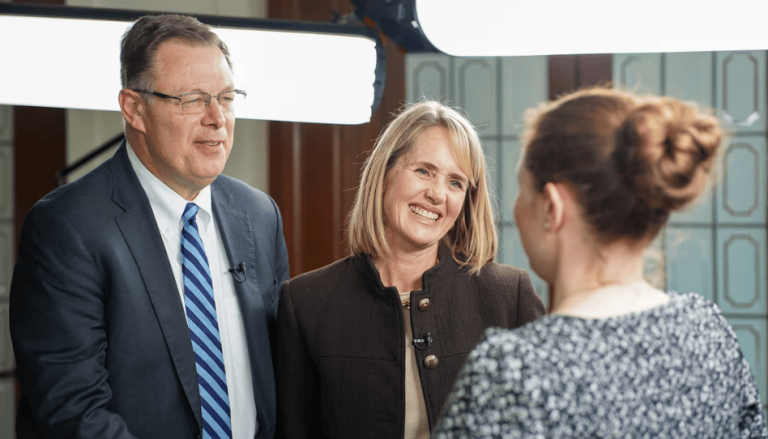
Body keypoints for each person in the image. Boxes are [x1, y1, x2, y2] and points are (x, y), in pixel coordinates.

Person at [10, 14, 289, 439]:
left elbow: (283, 379)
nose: (218, 118)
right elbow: (74, 415)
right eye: (194, 99)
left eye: (227, 97)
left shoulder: (259, 214)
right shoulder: (66, 229)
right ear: (134, 109)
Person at [434, 87, 768, 438]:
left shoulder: (513, 372)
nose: (516, 209)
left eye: (522, 187)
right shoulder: (708, 331)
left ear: (551, 207)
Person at [275, 100, 545, 439]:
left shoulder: (509, 295)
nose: (436, 194)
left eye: (455, 183)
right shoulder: (306, 302)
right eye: (423, 171)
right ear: (385, 172)